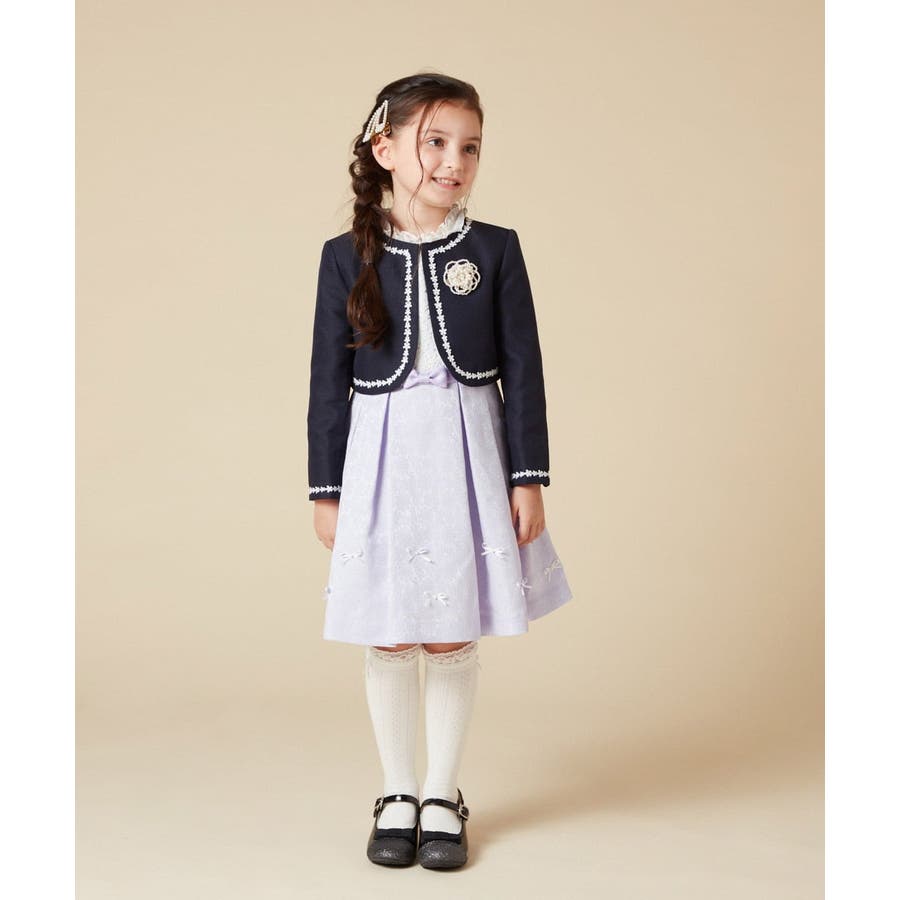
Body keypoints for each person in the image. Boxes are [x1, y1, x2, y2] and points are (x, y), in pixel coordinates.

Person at [307, 72, 574, 870]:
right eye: (435, 142)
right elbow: (326, 380)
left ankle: (441, 791)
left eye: (470, 147)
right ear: (384, 148)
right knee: (391, 631)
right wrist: (327, 489)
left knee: (452, 625)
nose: (454, 161)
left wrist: (528, 477)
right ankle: (396, 789)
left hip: (467, 454)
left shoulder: (495, 249)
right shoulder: (343, 258)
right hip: (381, 459)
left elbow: (524, 370)